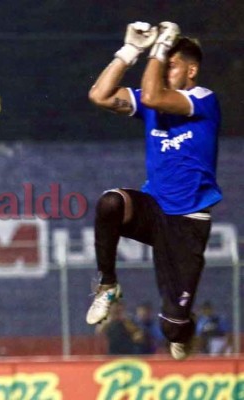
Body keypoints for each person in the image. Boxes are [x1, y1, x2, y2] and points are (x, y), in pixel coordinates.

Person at [85, 21, 222, 361]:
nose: (162, 70)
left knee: (171, 328)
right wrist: (129, 51)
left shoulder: (203, 99)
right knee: (110, 203)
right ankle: (107, 285)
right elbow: (99, 95)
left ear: (191, 70)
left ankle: (182, 328)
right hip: (155, 208)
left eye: (171, 65)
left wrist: (158, 49)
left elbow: (151, 94)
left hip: (187, 221)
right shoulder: (153, 103)